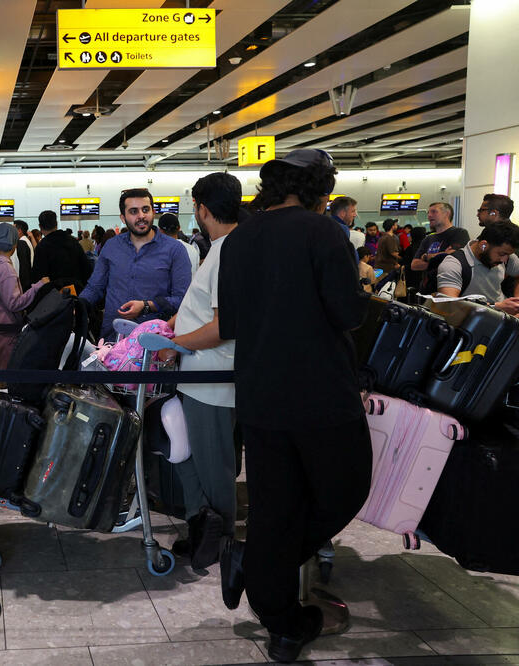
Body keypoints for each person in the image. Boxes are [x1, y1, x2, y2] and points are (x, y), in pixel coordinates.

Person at [218, 149, 370, 663]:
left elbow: (233, 320)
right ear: (317, 187)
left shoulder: (239, 239)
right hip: (321, 391)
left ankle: (282, 621)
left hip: (260, 392)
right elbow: (347, 312)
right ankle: (257, 566)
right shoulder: (323, 232)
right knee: (346, 488)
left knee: (275, 504)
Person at [154, 172, 240, 571]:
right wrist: (178, 327)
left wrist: (178, 343)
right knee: (189, 453)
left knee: (215, 464)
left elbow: (225, 326)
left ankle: (223, 546)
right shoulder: (223, 248)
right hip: (198, 377)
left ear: (202, 209)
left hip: (213, 379)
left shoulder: (230, 252)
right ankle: (203, 529)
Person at [80, 188, 192, 341]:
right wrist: (77, 305)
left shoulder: (175, 250)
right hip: (112, 340)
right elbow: (95, 287)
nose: (141, 216)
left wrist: (147, 305)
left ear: (153, 211)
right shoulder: (112, 246)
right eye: (133, 211)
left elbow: (182, 299)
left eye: (145, 210)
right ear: (123, 217)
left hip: (154, 342)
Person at [0, 224, 49, 369]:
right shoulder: (5, 269)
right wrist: (38, 286)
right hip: (5, 329)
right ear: (14, 243)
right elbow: (14, 303)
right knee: (4, 375)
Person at [437, 221, 519, 314]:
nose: (504, 260)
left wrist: (516, 302)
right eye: (502, 254)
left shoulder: (507, 257)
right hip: (471, 320)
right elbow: (448, 306)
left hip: (503, 318)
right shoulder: (453, 264)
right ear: (483, 245)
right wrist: (497, 307)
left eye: (508, 254)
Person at [411, 202, 470, 291]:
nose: (429, 215)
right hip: (426, 291)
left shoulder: (459, 233)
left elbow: (454, 257)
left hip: (449, 289)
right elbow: (414, 265)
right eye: (428, 213)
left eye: (434, 212)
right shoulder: (427, 239)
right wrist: (440, 258)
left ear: (447, 213)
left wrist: (427, 257)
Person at [31, 210, 93, 295]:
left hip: (54, 297)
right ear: (56, 223)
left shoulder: (42, 247)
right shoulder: (73, 241)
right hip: (76, 293)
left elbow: (38, 278)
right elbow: (87, 269)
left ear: (40, 227)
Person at [157, 212, 200, 280]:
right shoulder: (192, 249)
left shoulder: (157, 251)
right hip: (190, 289)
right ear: (179, 228)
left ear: (160, 230)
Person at [13, 219, 34, 291]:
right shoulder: (24, 240)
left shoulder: (22, 243)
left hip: (24, 282)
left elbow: (23, 265)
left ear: (19, 231)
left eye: (13, 229)